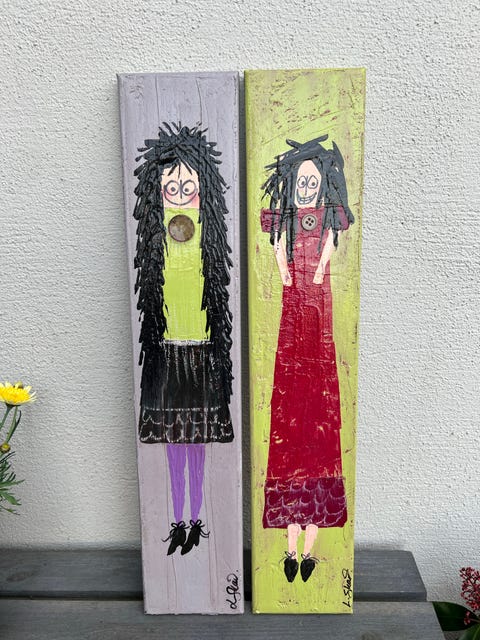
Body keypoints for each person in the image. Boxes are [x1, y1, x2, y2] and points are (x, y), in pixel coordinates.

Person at [133, 123, 234, 556]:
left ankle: (196, 519)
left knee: (198, 443)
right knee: (174, 444)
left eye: (187, 186)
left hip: (204, 350)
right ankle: (177, 521)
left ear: (201, 186)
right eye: (170, 187)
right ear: (157, 190)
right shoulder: (152, 236)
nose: (178, 193)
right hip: (166, 351)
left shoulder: (212, 234)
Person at [260, 135, 354, 582]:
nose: (306, 188)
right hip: (293, 316)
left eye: (313, 182)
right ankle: (289, 547)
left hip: (318, 316)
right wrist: (286, 274)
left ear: (323, 186)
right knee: (290, 409)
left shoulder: (328, 217)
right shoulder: (286, 219)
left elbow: (331, 245)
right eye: (301, 181)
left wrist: (314, 276)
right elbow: (278, 249)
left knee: (317, 409)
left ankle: (309, 550)